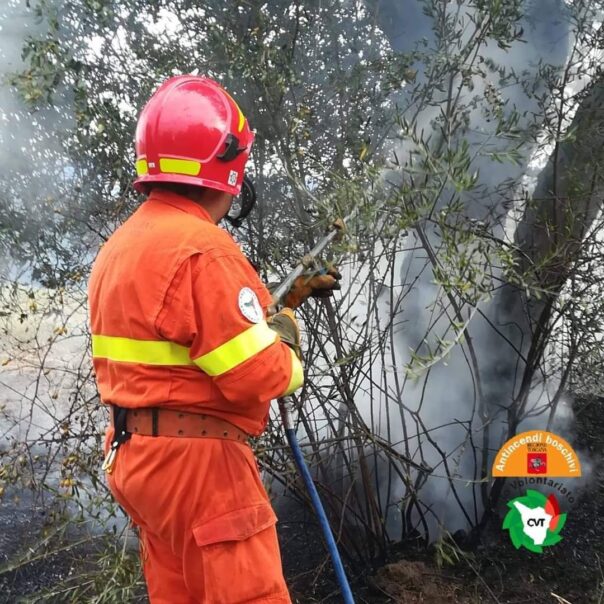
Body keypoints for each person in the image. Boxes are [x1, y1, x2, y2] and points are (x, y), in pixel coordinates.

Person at [87, 75, 340, 603]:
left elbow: (189, 344)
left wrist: (282, 303)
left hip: (139, 460)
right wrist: (287, 334)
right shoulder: (203, 249)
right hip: (201, 472)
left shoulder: (121, 247)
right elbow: (259, 374)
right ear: (229, 167)